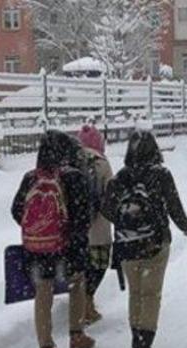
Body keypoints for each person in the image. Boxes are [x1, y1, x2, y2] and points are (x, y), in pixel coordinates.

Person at [102, 131, 187, 348]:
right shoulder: (161, 175)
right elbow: (173, 204)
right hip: (155, 242)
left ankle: (135, 339)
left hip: (126, 244)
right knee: (151, 295)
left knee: (136, 293)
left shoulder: (120, 177)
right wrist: (184, 225)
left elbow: (106, 208)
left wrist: (125, 221)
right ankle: (145, 346)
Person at [11, 130, 96, 348]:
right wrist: (69, 235)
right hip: (68, 246)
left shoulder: (30, 178)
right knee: (77, 284)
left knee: (43, 293)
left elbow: (16, 210)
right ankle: (77, 335)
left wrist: (38, 229)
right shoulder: (73, 177)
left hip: (37, 248)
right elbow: (83, 215)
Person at [77, 124, 114, 325]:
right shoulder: (102, 163)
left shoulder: (70, 161)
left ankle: (81, 302)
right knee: (98, 266)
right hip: (99, 227)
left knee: (81, 267)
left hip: (76, 228)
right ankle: (88, 302)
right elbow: (112, 193)